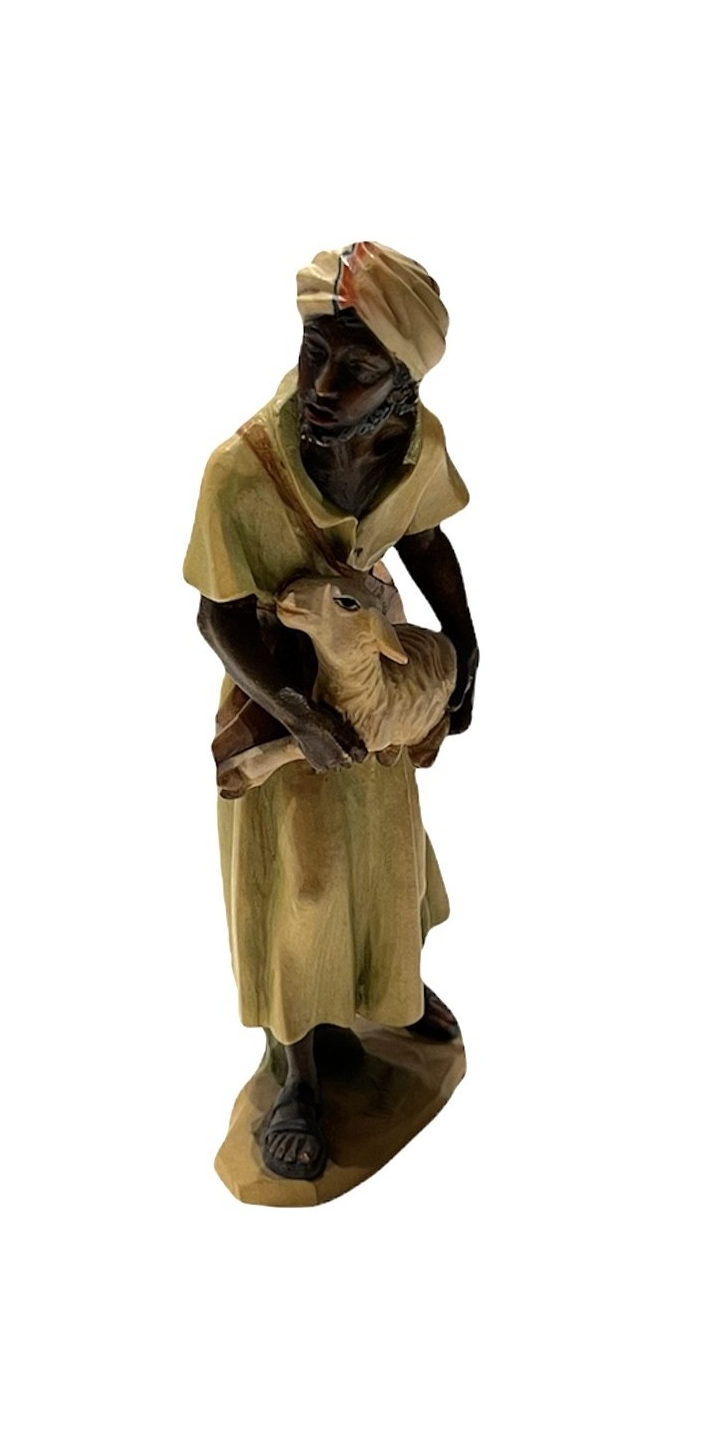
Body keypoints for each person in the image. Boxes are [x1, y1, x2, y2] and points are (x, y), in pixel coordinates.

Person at [183, 242, 478, 1181]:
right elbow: (218, 614)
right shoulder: (242, 470)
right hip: (280, 695)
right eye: (316, 351)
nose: (323, 383)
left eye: (356, 370)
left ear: (402, 385)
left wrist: (465, 643)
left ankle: (389, 999)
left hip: (372, 687)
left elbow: (424, 535)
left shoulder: (414, 444)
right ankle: (298, 1077)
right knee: (300, 893)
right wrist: (297, 717)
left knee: (386, 861)